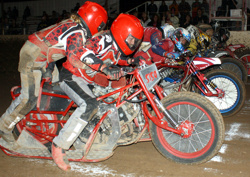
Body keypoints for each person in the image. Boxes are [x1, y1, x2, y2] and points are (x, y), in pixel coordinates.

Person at [0, 1, 108, 149]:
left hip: (42, 56)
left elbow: (52, 43)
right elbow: (74, 58)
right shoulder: (77, 33)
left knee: (57, 88)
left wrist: (49, 69)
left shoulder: (72, 25)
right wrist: (100, 67)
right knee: (29, 98)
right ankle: (4, 127)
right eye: (101, 26)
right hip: (34, 56)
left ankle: (51, 119)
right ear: (96, 22)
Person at [51, 13, 144, 171]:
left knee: (115, 92)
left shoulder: (114, 45)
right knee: (89, 104)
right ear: (121, 32)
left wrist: (129, 61)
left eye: (136, 41)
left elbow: (114, 58)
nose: (133, 44)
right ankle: (59, 146)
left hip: (87, 79)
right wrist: (104, 68)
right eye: (131, 39)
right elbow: (82, 52)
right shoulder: (103, 40)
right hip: (71, 75)